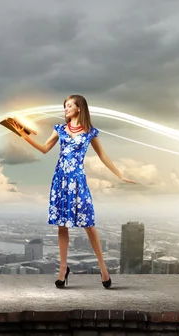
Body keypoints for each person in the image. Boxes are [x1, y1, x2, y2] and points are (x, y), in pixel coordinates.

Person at [10, 94, 136, 289]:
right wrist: (23, 134)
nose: (66, 109)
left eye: (69, 106)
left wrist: (120, 175)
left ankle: (103, 268)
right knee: (61, 225)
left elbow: (103, 156)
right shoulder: (60, 129)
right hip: (60, 180)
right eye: (65, 106)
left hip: (77, 180)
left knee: (88, 223)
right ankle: (63, 269)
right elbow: (44, 149)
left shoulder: (89, 132)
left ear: (79, 108)